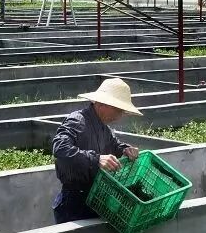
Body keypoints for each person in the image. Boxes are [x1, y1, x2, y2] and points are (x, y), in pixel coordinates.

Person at [51, 78, 142, 224]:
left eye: (122, 111)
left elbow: (114, 145)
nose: (119, 116)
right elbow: (60, 148)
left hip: (94, 197)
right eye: (118, 110)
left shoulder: (103, 128)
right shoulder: (78, 120)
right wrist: (96, 159)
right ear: (101, 104)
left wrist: (125, 150)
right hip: (73, 203)